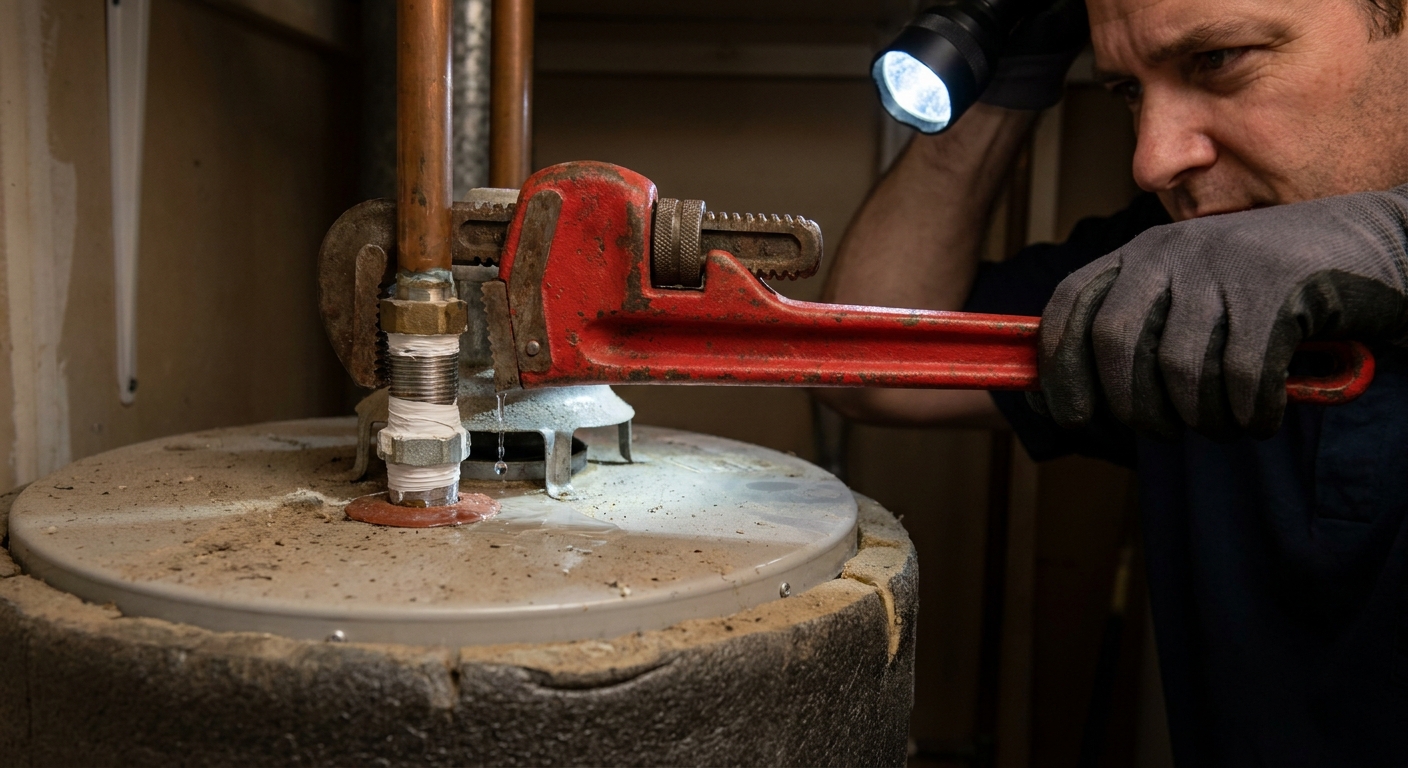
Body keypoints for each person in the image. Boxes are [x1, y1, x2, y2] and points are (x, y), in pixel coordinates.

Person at [822, 0, 1408, 764]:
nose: (1153, 158)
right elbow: (876, 370)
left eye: (1217, 59)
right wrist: (1011, 80)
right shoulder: (1180, 270)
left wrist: (1394, 232)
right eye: (1130, 91)